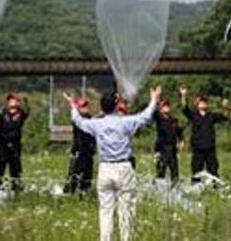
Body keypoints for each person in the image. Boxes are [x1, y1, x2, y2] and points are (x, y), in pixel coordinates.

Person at [64, 86, 161, 241]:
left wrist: (72, 105)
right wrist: (154, 99)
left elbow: (78, 120)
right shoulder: (126, 122)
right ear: (116, 106)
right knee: (126, 210)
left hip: (105, 168)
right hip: (123, 167)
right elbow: (145, 116)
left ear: (102, 107)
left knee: (105, 211)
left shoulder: (96, 124)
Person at [179, 85, 226, 181]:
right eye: (201, 101)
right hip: (198, 149)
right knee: (196, 172)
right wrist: (183, 95)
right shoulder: (193, 115)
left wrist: (225, 106)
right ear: (197, 103)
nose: (204, 103)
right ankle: (195, 190)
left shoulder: (212, 116)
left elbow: (225, 116)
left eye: (205, 101)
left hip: (210, 148)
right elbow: (184, 108)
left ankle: (216, 189)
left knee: (213, 171)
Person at [0, 92, 29, 192]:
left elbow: (27, 110)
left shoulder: (21, 112)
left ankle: (16, 190)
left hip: (15, 145)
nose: (13, 101)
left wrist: (24, 100)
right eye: (11, 100)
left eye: (15, 99)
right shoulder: (3, 112)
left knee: (15, 169)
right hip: (2, 144)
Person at [65, 97, 97, 194]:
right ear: (78, 108)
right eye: (83, 106)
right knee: (74, 175)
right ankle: (69, 193)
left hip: (88, 152)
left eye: (86, 105)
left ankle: (84, 193)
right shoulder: (78, 120)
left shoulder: (90, 119)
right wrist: (72, 104)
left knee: (87, 176)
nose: (86, 108)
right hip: (78, 152)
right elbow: (76, 118)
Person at [153, 98, 183, 183]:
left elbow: (179, 131)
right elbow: (154, 112)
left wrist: (181, 140)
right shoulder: (158, 118)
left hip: (172, 149)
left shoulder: (174, 120)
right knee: (160, 170)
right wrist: (156, 101)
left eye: (167, 106)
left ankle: (175, 189)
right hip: (162, 148)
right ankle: (157, 189)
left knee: (174, 170)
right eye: (164, 106)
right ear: (160, 108)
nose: (166, 108)